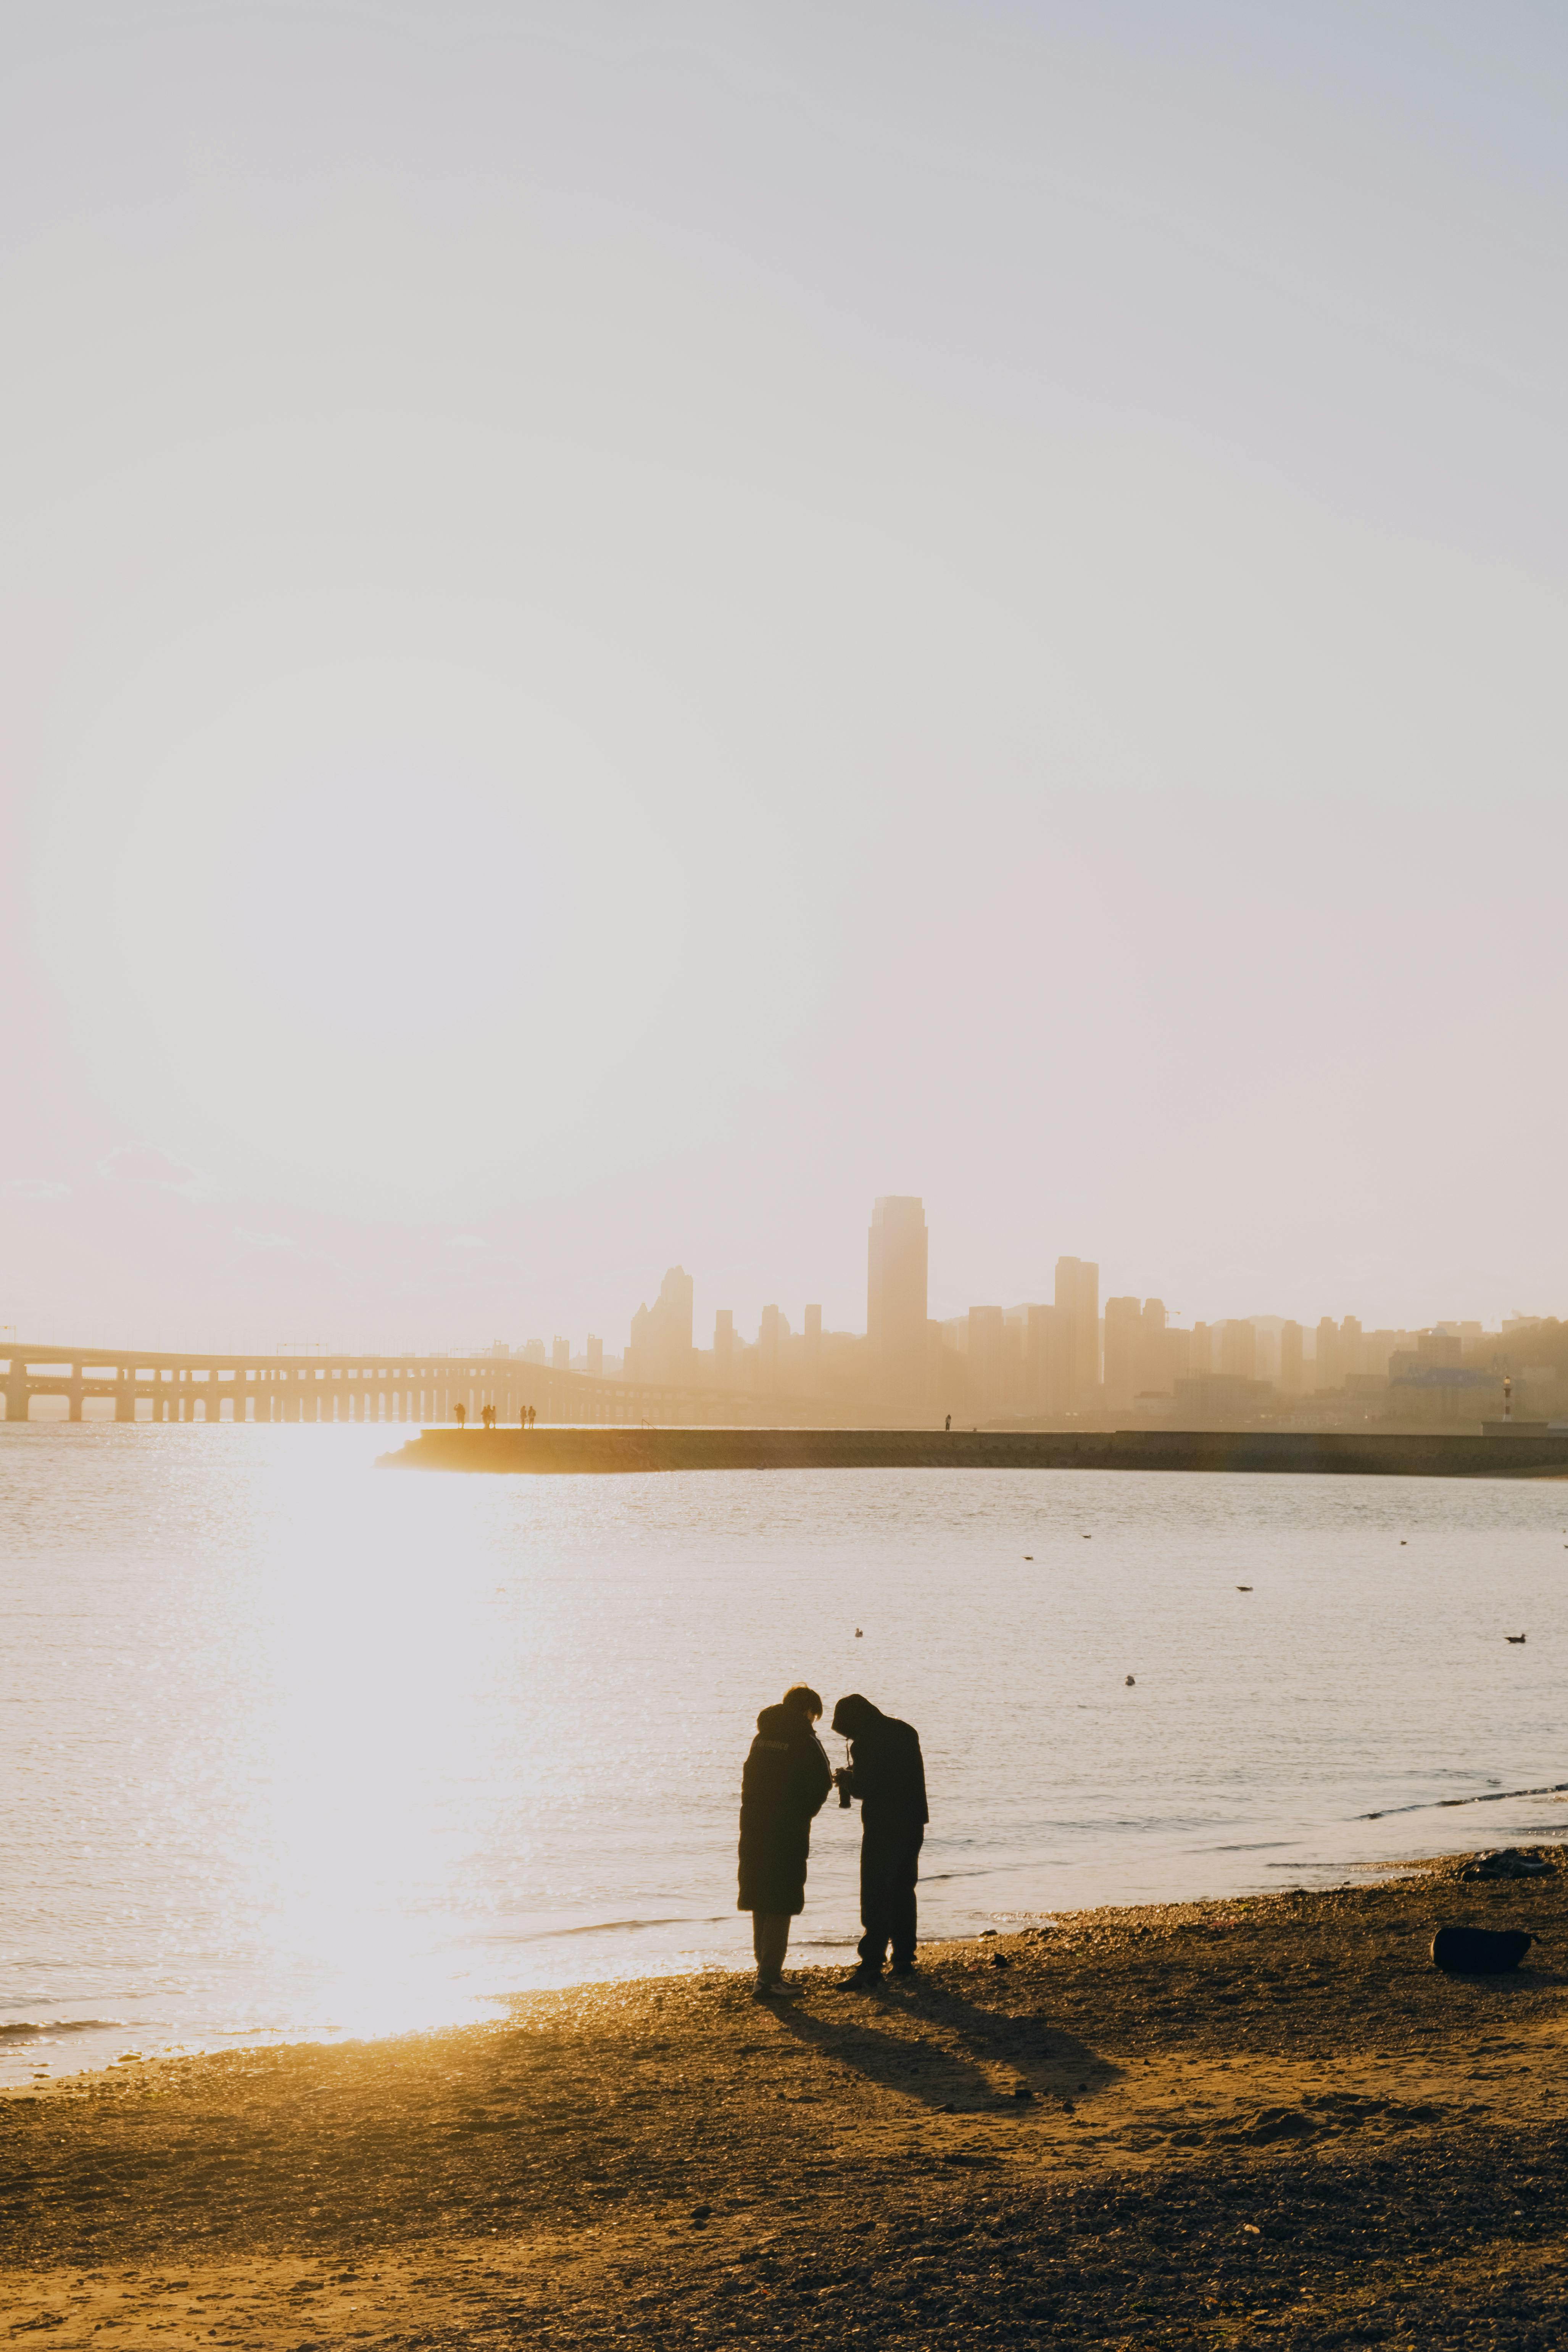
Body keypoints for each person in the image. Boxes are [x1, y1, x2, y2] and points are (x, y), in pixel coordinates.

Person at [737, 1684, 833, 1996]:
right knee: (782, 1899)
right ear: (808, 1711)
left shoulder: (761, 1739)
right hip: (787, 1830)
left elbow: (748, 1781)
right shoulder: (805, 1741)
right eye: (814, 1715)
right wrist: (803, 1812)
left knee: (760, 1897)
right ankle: (769, 1978)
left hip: (753, 1827)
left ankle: (763, 1970)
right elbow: (822, 1783)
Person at [830, 1693, 928, 1988]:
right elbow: (896, 1776)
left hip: (883, 1825)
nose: (847, 1736)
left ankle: (871, 1964)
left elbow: (865, 1788)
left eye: (845, 1730)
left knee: (875, 1893)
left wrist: (846, 1780)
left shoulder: (865, 1743)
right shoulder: (905, 1731)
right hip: (913, 1820)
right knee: (903, 1889)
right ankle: (903, 1959)